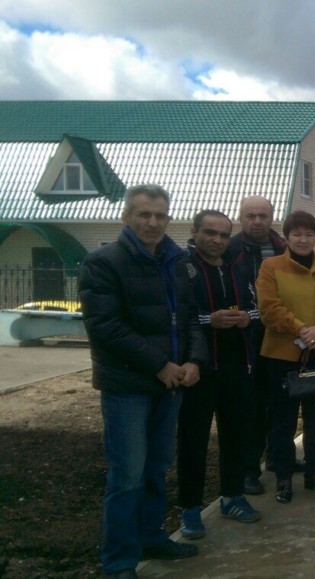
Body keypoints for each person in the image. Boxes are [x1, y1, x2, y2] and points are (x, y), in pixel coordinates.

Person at [78, 184, 205, 577]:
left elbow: (190, 317)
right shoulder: (103, 263)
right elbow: (105, 326)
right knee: (127, 475)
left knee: (156, 467)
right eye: (144, 214)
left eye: (160, 215)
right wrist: (159, 365)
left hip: (170, 384)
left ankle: (152, 537)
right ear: (126, 217)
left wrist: (194, 360)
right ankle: (119, 560)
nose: (152, 222)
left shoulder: (177, 261)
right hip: (127, 387)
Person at [176, 210, 262, 540]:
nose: (217, 240)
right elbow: (179, 316)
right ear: (194, 232)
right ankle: (190, 508)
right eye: (210, 233)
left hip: (236, 365)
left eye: (224, 235)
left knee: (237, 434)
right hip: (198, 367)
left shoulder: (236, 266)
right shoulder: (182, 268)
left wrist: (247, 318)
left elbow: (256, 308)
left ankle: (233, 497)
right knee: (193, 440)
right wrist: (208, 320)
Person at [256, 210, 315, 504]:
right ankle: (283, 477)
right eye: (297, 234)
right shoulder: (271, 266)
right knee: (283, 420)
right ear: (287, 237)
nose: (303, 240)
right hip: (283, 355)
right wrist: (301, 329)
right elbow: (269, 308)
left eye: (309, 234)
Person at [228, 195, 288, 496]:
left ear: (272, 217)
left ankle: (277, 457)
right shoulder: (231, 250)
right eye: (250, 216)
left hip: (279, 337)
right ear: (240, 218)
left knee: (279, 403)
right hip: (244, 340)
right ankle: (249, 470)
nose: (257, 221)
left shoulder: (283, 248)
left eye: (263, 216)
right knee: (250, 408)